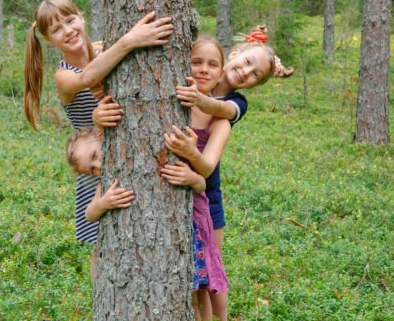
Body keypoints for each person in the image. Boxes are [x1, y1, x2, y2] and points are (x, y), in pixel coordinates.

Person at [23, 0, 173, 279]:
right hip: (93, 166)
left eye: (70, 20)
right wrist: (130, 40)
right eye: (56, 30)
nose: (67, 31)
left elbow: (98, 66)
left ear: (81, 16)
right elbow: (88, 78)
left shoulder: (102, 50)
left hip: (124, 156)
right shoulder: (63, 76)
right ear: (47, 39)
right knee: (102, 245)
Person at [65, 125, 210, 320]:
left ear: (103, 138)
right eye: (92, 169)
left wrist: (191, 178)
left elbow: (201, 184)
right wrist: (103, 202)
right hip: (146, 253)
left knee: (188, 296)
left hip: (178, 241)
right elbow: (89, 214)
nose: (98, 166)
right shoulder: (106, 184)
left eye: (94, 156)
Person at [174, 27, 294, 255]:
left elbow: (220, 108)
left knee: (212, 261)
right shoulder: (199, 70)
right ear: (234, 54)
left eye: (255, 75)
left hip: (207, 188)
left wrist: (199, 98)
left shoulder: (237, 102)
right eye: (247, 61)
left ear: (254, 85)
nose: (246, 72)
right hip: (176, 179)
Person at [161, 39, 232, 321]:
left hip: (208, 200)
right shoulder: (170, 101)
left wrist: (192, 154)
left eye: (212, 64)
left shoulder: (221, 118)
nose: (203, 70)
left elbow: (207, 167)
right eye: (196, 61)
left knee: (212, 267)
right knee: (192, 274)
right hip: (177, 197)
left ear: (221, 72)